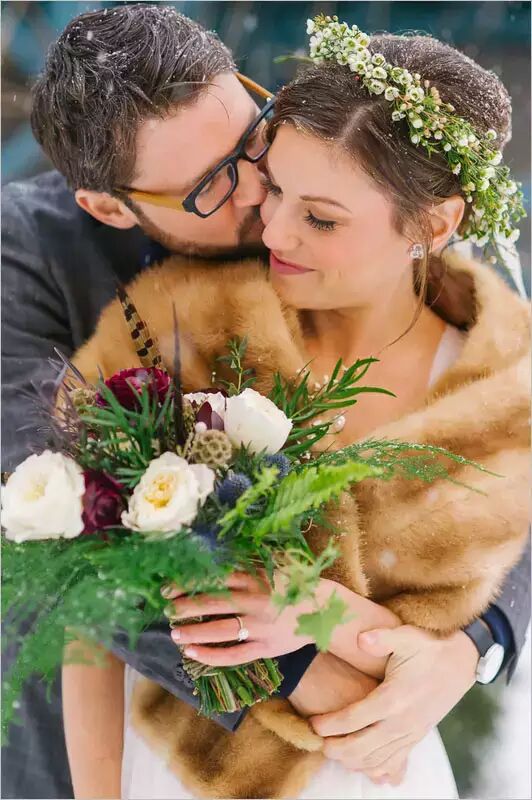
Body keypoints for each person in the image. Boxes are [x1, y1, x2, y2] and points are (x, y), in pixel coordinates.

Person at [1, 4, 529, 798]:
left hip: (375, 748)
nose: (261, 195)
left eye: (252, 136)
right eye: (212, 186)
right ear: (110, 208)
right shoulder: (40, 263)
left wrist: (472, 646)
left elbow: (510, 453)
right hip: (140, 737)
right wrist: (303, 664)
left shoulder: (384, 227)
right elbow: (64, 526)